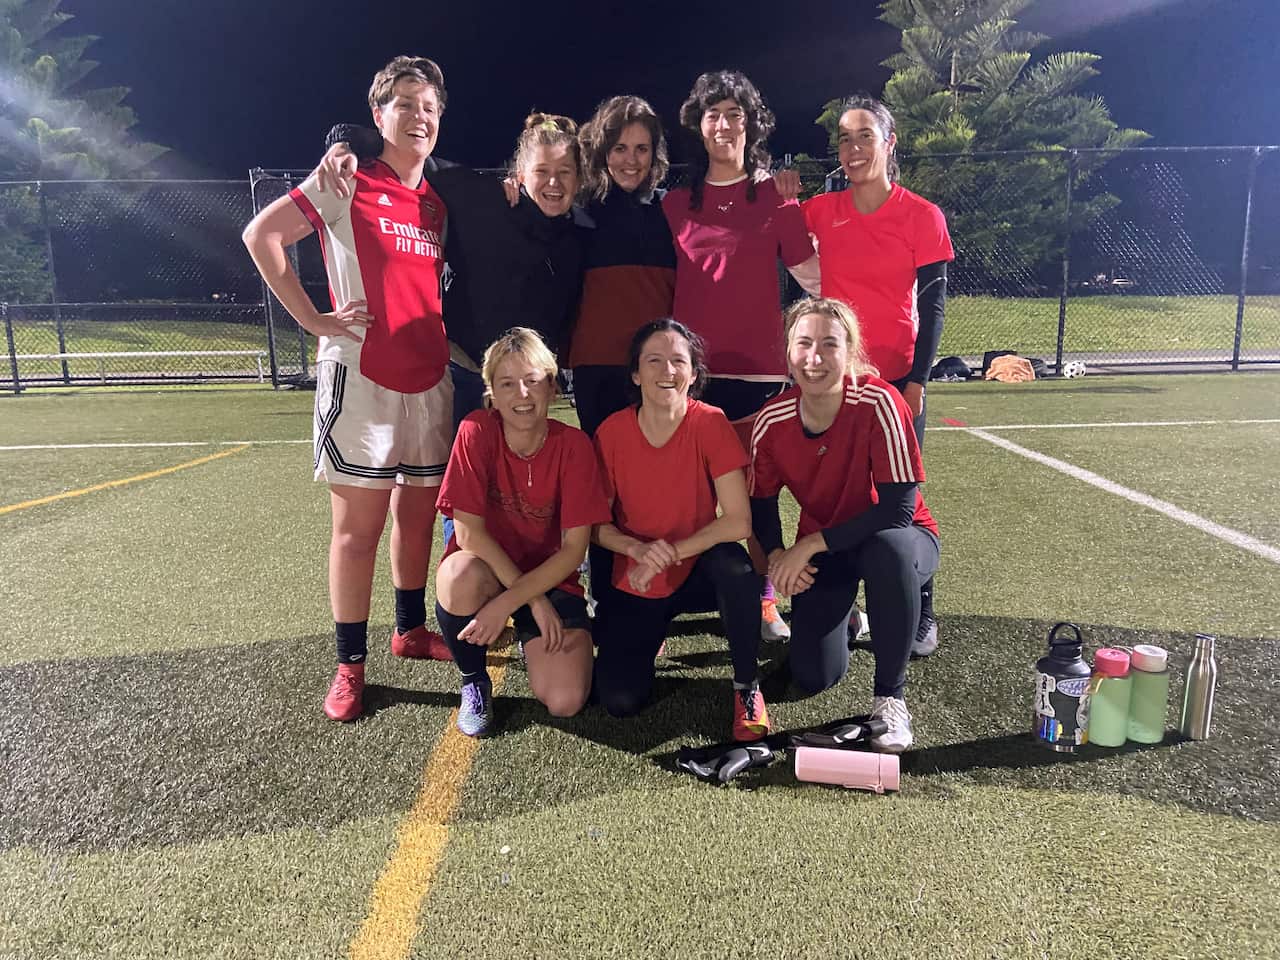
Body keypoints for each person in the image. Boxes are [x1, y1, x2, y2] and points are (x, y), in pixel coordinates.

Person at [241, 56, 455, 722]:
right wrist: (312, 319)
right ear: (378, 114)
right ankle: (349, 665)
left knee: (417, 518)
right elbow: (262, 235)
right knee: (358, 531)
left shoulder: (436, 202)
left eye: (429, 107)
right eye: (405, 103)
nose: (419, 116)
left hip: (430, 378)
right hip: (361, 375)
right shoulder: (347, 178)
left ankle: (409, 629)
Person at [317, 111, 591, 542]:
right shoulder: (480, 196)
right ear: (520, 173)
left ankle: (531, 567)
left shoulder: (581, 236)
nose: (553, 183)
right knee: (465, 492)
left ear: (579, 179)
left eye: (565, 172)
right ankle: (462, 565)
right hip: (465, 374)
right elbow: (409, 154)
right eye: (542, 171)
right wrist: (345, 142)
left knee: (525, 487)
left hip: (529, 386)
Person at [662, 70, 820, 644]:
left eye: (735, 114)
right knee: (692, 496)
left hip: (759, 376)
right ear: (699, 126)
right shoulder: (674, 204)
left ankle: (766, 598)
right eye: (714, 115)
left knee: (758, 495)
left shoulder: (774, 197)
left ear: (751, 124)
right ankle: (682, 596)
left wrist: (795, 206)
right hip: (693, 379)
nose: (724, 125)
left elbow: (815, 279)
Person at [748, 297, 940, 754]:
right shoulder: (772, 420)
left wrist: (808, 544)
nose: (814, 358)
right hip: (829, 549)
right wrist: (777, 556)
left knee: (888, 551)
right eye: (804, 344)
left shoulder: (880, 401)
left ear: (850, 350)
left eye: (829, 344)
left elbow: (897, 511)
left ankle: (890, 699)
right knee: (813, 675)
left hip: (900, 537)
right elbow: (761, 504)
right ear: (789, 351)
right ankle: (853, 618)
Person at [800, 94, 954, 656]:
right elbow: (774, 232)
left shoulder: (922, 215)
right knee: (839, 493)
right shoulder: (821, 211)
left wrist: (918, 381)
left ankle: (921, 608)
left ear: (889, 144)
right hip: (838, 385)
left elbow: (934, 305)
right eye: (844, 138)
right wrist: (778, 190)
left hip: (895, 379)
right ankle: (843, 605)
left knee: (902, 501)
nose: (854, 147)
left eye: (865, 135)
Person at [592, 319, 767, 740]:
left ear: (693, 373)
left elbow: (739, 520)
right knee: (620, 701)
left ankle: (747, 686)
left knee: (735, 568)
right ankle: (650, 633)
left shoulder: (710, 423)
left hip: (696, 570)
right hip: (638, 575)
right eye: (654, 360)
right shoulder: (611, 432)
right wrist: (637, 550)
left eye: (678, 361)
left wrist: (670, 552)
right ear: (636, 374)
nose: (667, 371)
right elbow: (593, 526)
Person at [434, 328, 610, 737]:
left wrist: (521, 600)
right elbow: (469, 534)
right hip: (487, 572)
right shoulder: (475, 431)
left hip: (550, 577)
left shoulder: (574, 446)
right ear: (492, 393)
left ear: (551, 385)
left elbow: (573, 551)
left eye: (532, 381)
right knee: (457, 577)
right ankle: (474, 680)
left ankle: (530, 637)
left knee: (566, 701)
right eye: (508, 384)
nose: (523, 394)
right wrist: (529, 601)